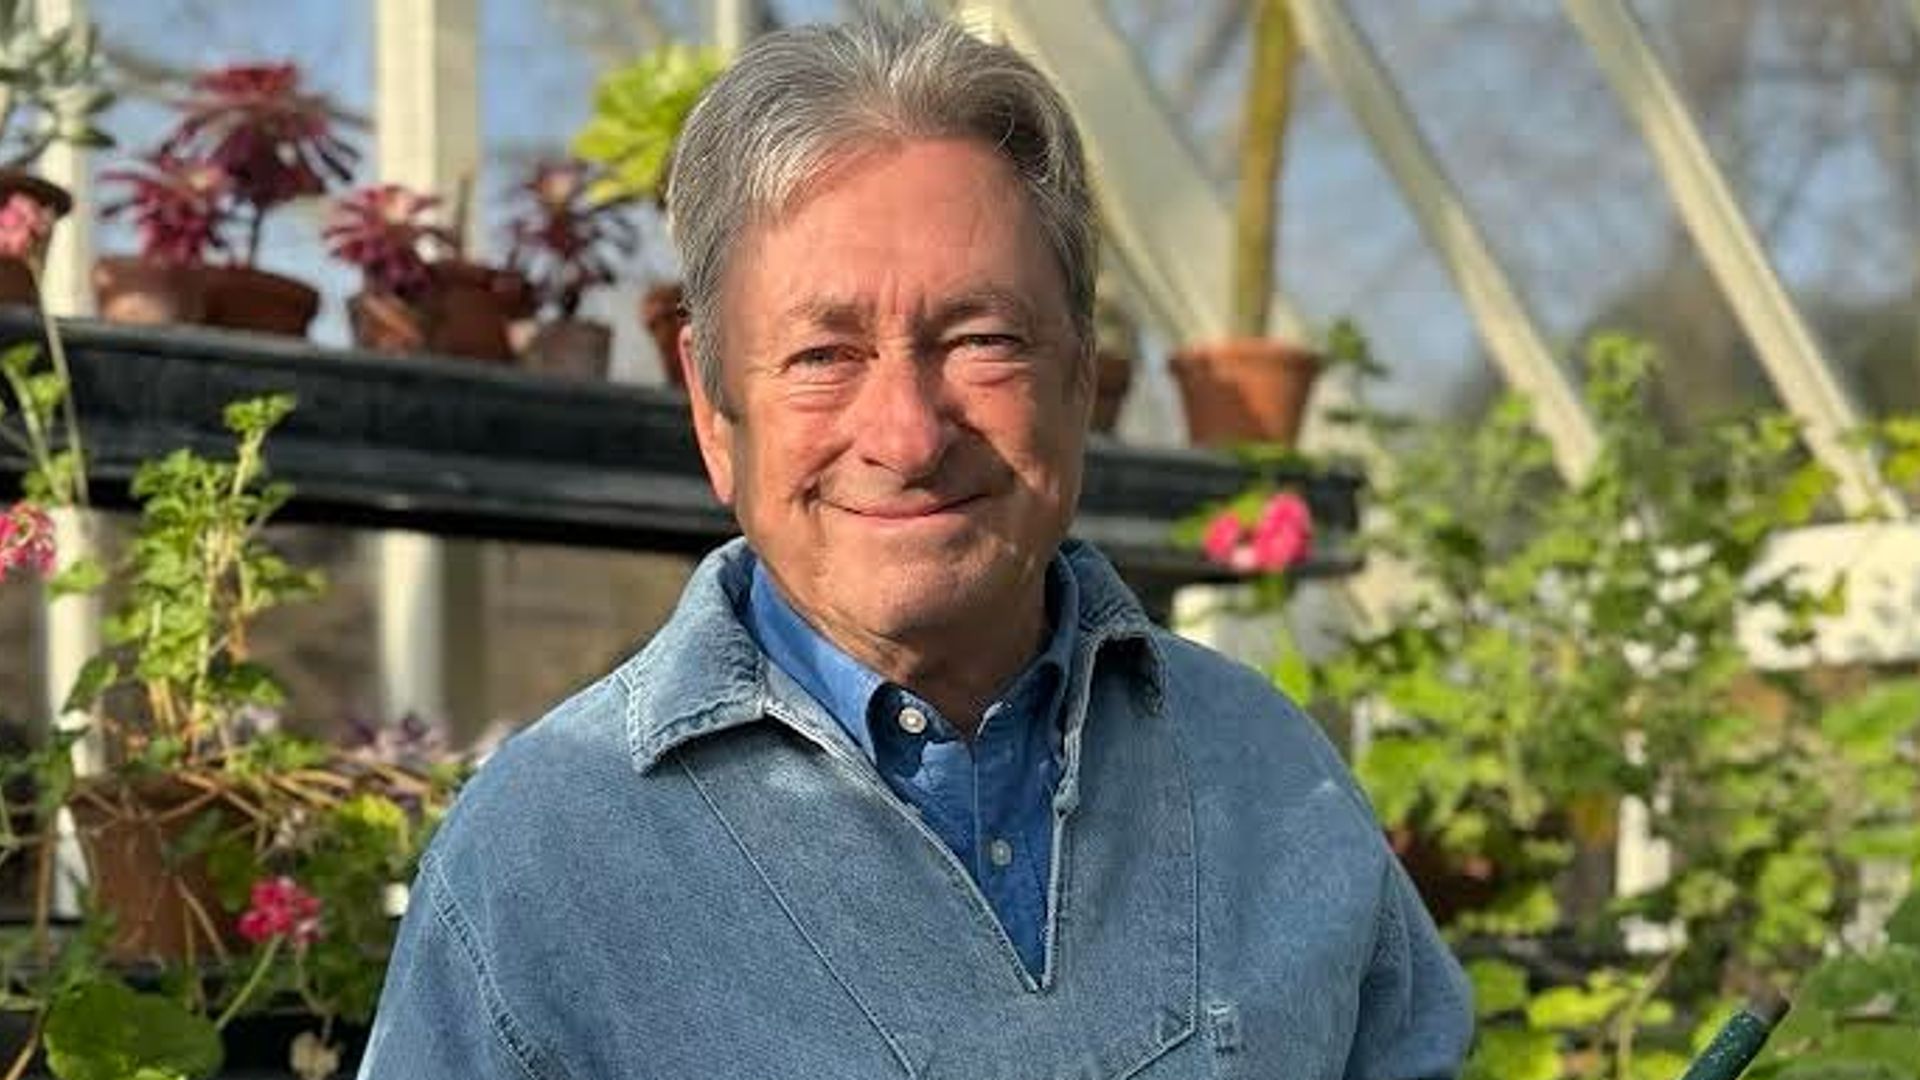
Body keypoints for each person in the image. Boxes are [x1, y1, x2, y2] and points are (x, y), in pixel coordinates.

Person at [358, 13, 1472, 1079]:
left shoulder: (1266, 773)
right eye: (822, 355)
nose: (906, 435)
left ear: (1082, 378)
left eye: (981, 339)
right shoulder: (548, 855)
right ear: (712, 411)